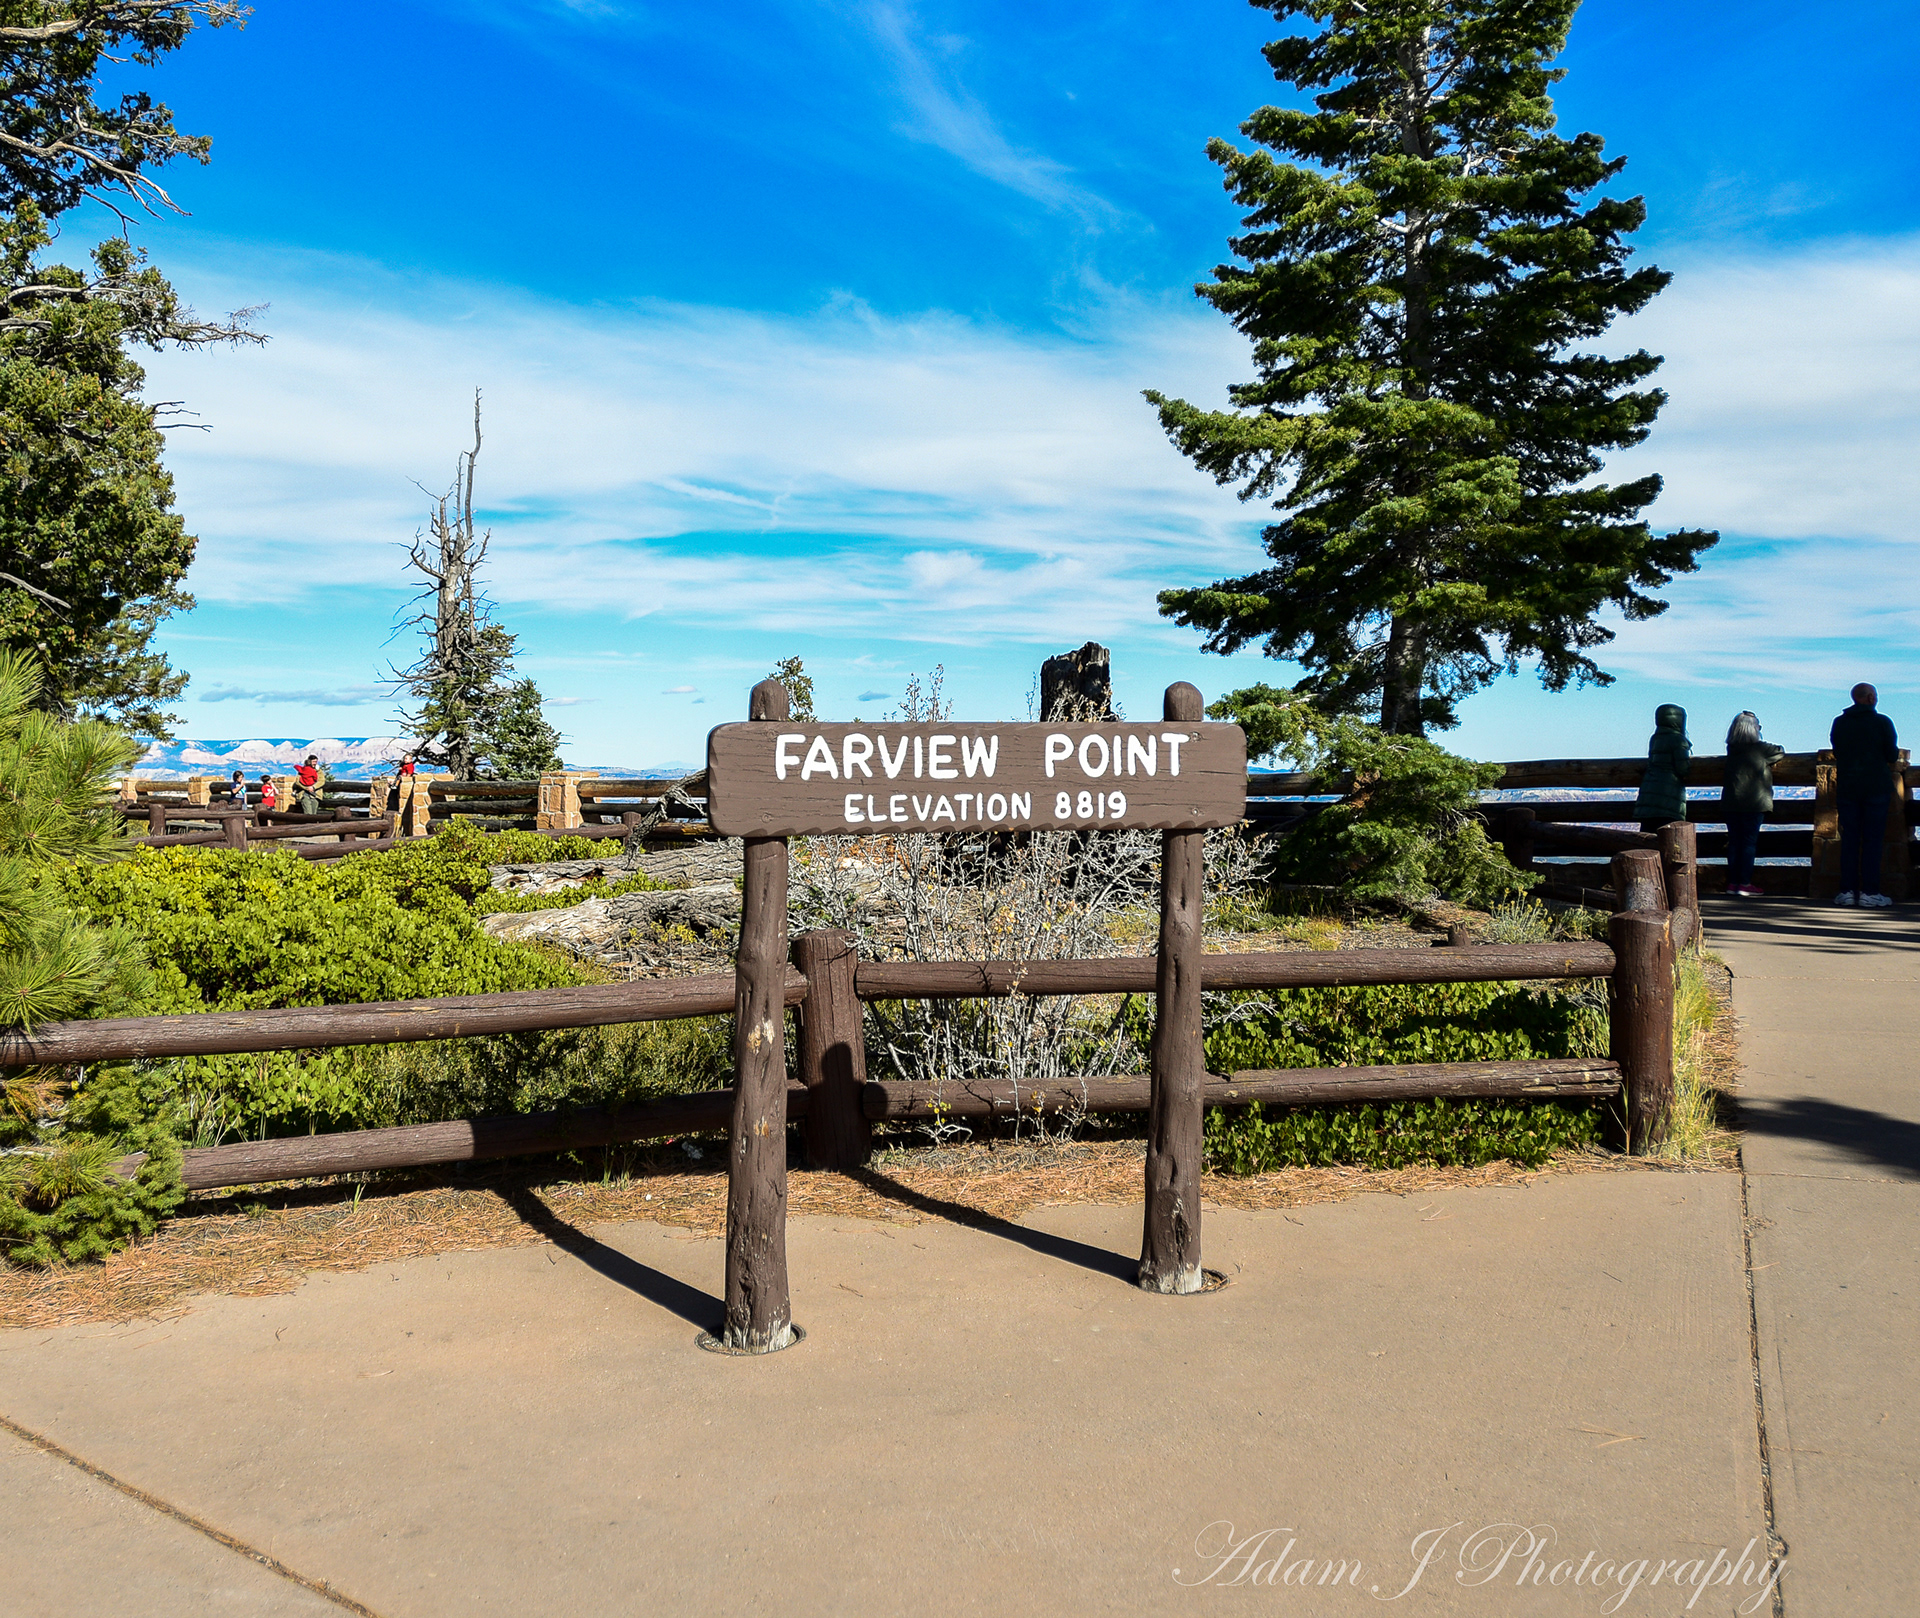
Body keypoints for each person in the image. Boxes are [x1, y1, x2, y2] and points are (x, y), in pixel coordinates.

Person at [1831, 683, 1898, 908]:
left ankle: (1847, 890)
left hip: (1848, 788)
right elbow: (1891, 753)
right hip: (1876, 787)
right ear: (1870, 698)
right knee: (1873, 840)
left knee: (1849, 839)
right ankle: (1870, 891)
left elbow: (1838, 751)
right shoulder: (1882, 722)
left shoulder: (1840, 723)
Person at [1722, 712, 1784, 898]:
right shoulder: (1761, 749)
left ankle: (1733, 883)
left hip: (1731, 802)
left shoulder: (1731, 749)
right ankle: (1745, 883)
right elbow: (1779, 751)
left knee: (1734, 843)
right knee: (1748, 843)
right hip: (1754, 803)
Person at [1633, 704, 1692, 827]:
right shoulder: (1678, 740)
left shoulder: (1655, 738)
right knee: (1667, 835)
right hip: (1668, 797)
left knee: (1648, 834)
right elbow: (1683, 769)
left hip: (1649, 792)